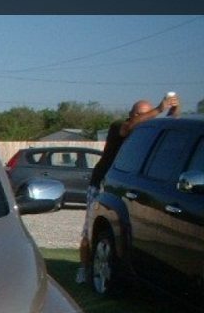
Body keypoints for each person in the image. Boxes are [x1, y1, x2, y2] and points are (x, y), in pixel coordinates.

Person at [76, 93, 181, 284]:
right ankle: (84, 268)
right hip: (101, 183)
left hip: (123, 186)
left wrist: (173, 111)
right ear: (131, 114)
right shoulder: (120, 126)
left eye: (149, 114)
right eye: (142, 114)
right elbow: (128, 127)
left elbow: (170, 128)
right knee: (89, 229)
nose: (145, 117)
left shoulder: (147, 132)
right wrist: (158, 109)